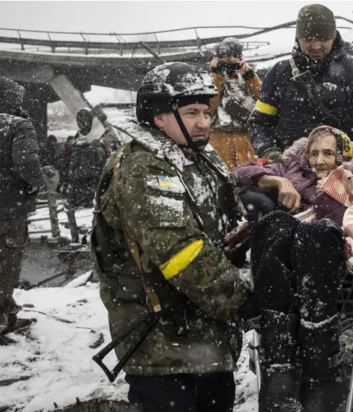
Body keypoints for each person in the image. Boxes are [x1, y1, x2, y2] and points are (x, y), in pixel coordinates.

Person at [92, 62, 250, 412]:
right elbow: (182, 253)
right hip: (163, 345)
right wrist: (243, 297)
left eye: (206, 113)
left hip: (205, 337)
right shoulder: (144, 167)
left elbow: (225, 216)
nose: (204, 122)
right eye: (191, 113)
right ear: (159, 117)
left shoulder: (197, 154)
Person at [232, 126, 353, 412]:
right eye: (313, 153)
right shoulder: (291, 169)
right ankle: (280, 363)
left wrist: (330, 191)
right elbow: (238, 174)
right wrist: (277, 180)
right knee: (273, 224)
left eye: (328, 153)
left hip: (333, 279)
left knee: (317, 232)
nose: (319, 160)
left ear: (342, 155)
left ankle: (320, 363)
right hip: (285, 277)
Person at [248, 4, 353, 160]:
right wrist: (270, 152)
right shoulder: (279, 73)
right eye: (308, 39)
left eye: (323, 39)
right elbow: (260, 121)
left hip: (345, 170)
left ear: (333, 37)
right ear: (298, 38)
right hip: (290, 169)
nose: (316, 46)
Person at [0, 76, 42, 345]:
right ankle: (2, 322)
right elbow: (26, 162)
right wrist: (36, 182)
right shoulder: (17, 124)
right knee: (7, 267)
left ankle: (9, 313)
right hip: (8, 208)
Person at [209, 37, 260, 170]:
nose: (231, 59)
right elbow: (208, 108)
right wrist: (216, 76)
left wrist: (250, 77)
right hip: (218, 138)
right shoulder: (209, 80)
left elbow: (263, 103)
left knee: (248, 175)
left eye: (235, 55)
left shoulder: (248, 78)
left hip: (245, 139)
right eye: (227, 56)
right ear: (218, 58)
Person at [67, 109, 108, 209]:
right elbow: (101, 160)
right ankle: (87, 202)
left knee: (80, 189)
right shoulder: (96, 145)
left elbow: (73, 160)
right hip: (91, 171)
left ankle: (78, 202)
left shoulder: (78, 145)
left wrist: (72, 171)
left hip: (81, 173)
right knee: (90, 189)